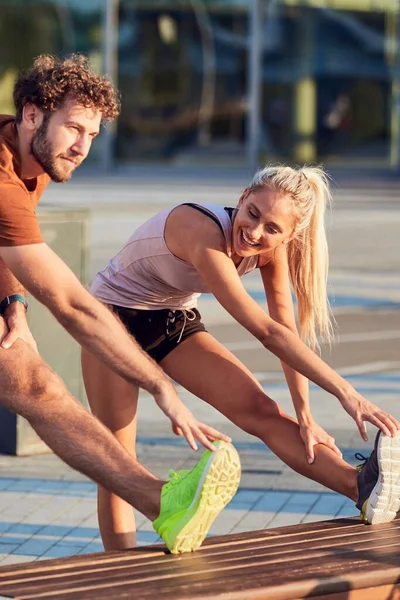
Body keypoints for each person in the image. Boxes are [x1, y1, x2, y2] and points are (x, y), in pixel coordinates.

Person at [82, 164, 400, 550]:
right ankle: (122, 574)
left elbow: (284, 327)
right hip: (110, 319)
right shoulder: (202, 231)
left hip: (170, 322)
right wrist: (347, 393)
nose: (254, 232)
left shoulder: (272, 252)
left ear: (289, 235)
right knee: (118, 460)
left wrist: (305, 414)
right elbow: (265, 333)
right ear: (241, 199)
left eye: (272, 228)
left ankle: (363, 488)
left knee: (262, 410)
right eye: (253, 213)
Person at [0, 54, 241, 554]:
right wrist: (159, 385)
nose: (83, 147)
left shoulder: (32, 161)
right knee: (37, 384)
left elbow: (6, 244)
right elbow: (75, 306)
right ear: (30, 114)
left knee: (35, 384)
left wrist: (14, 308)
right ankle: (166, 503)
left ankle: (165, 505)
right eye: (74, 129)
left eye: (93, 134)